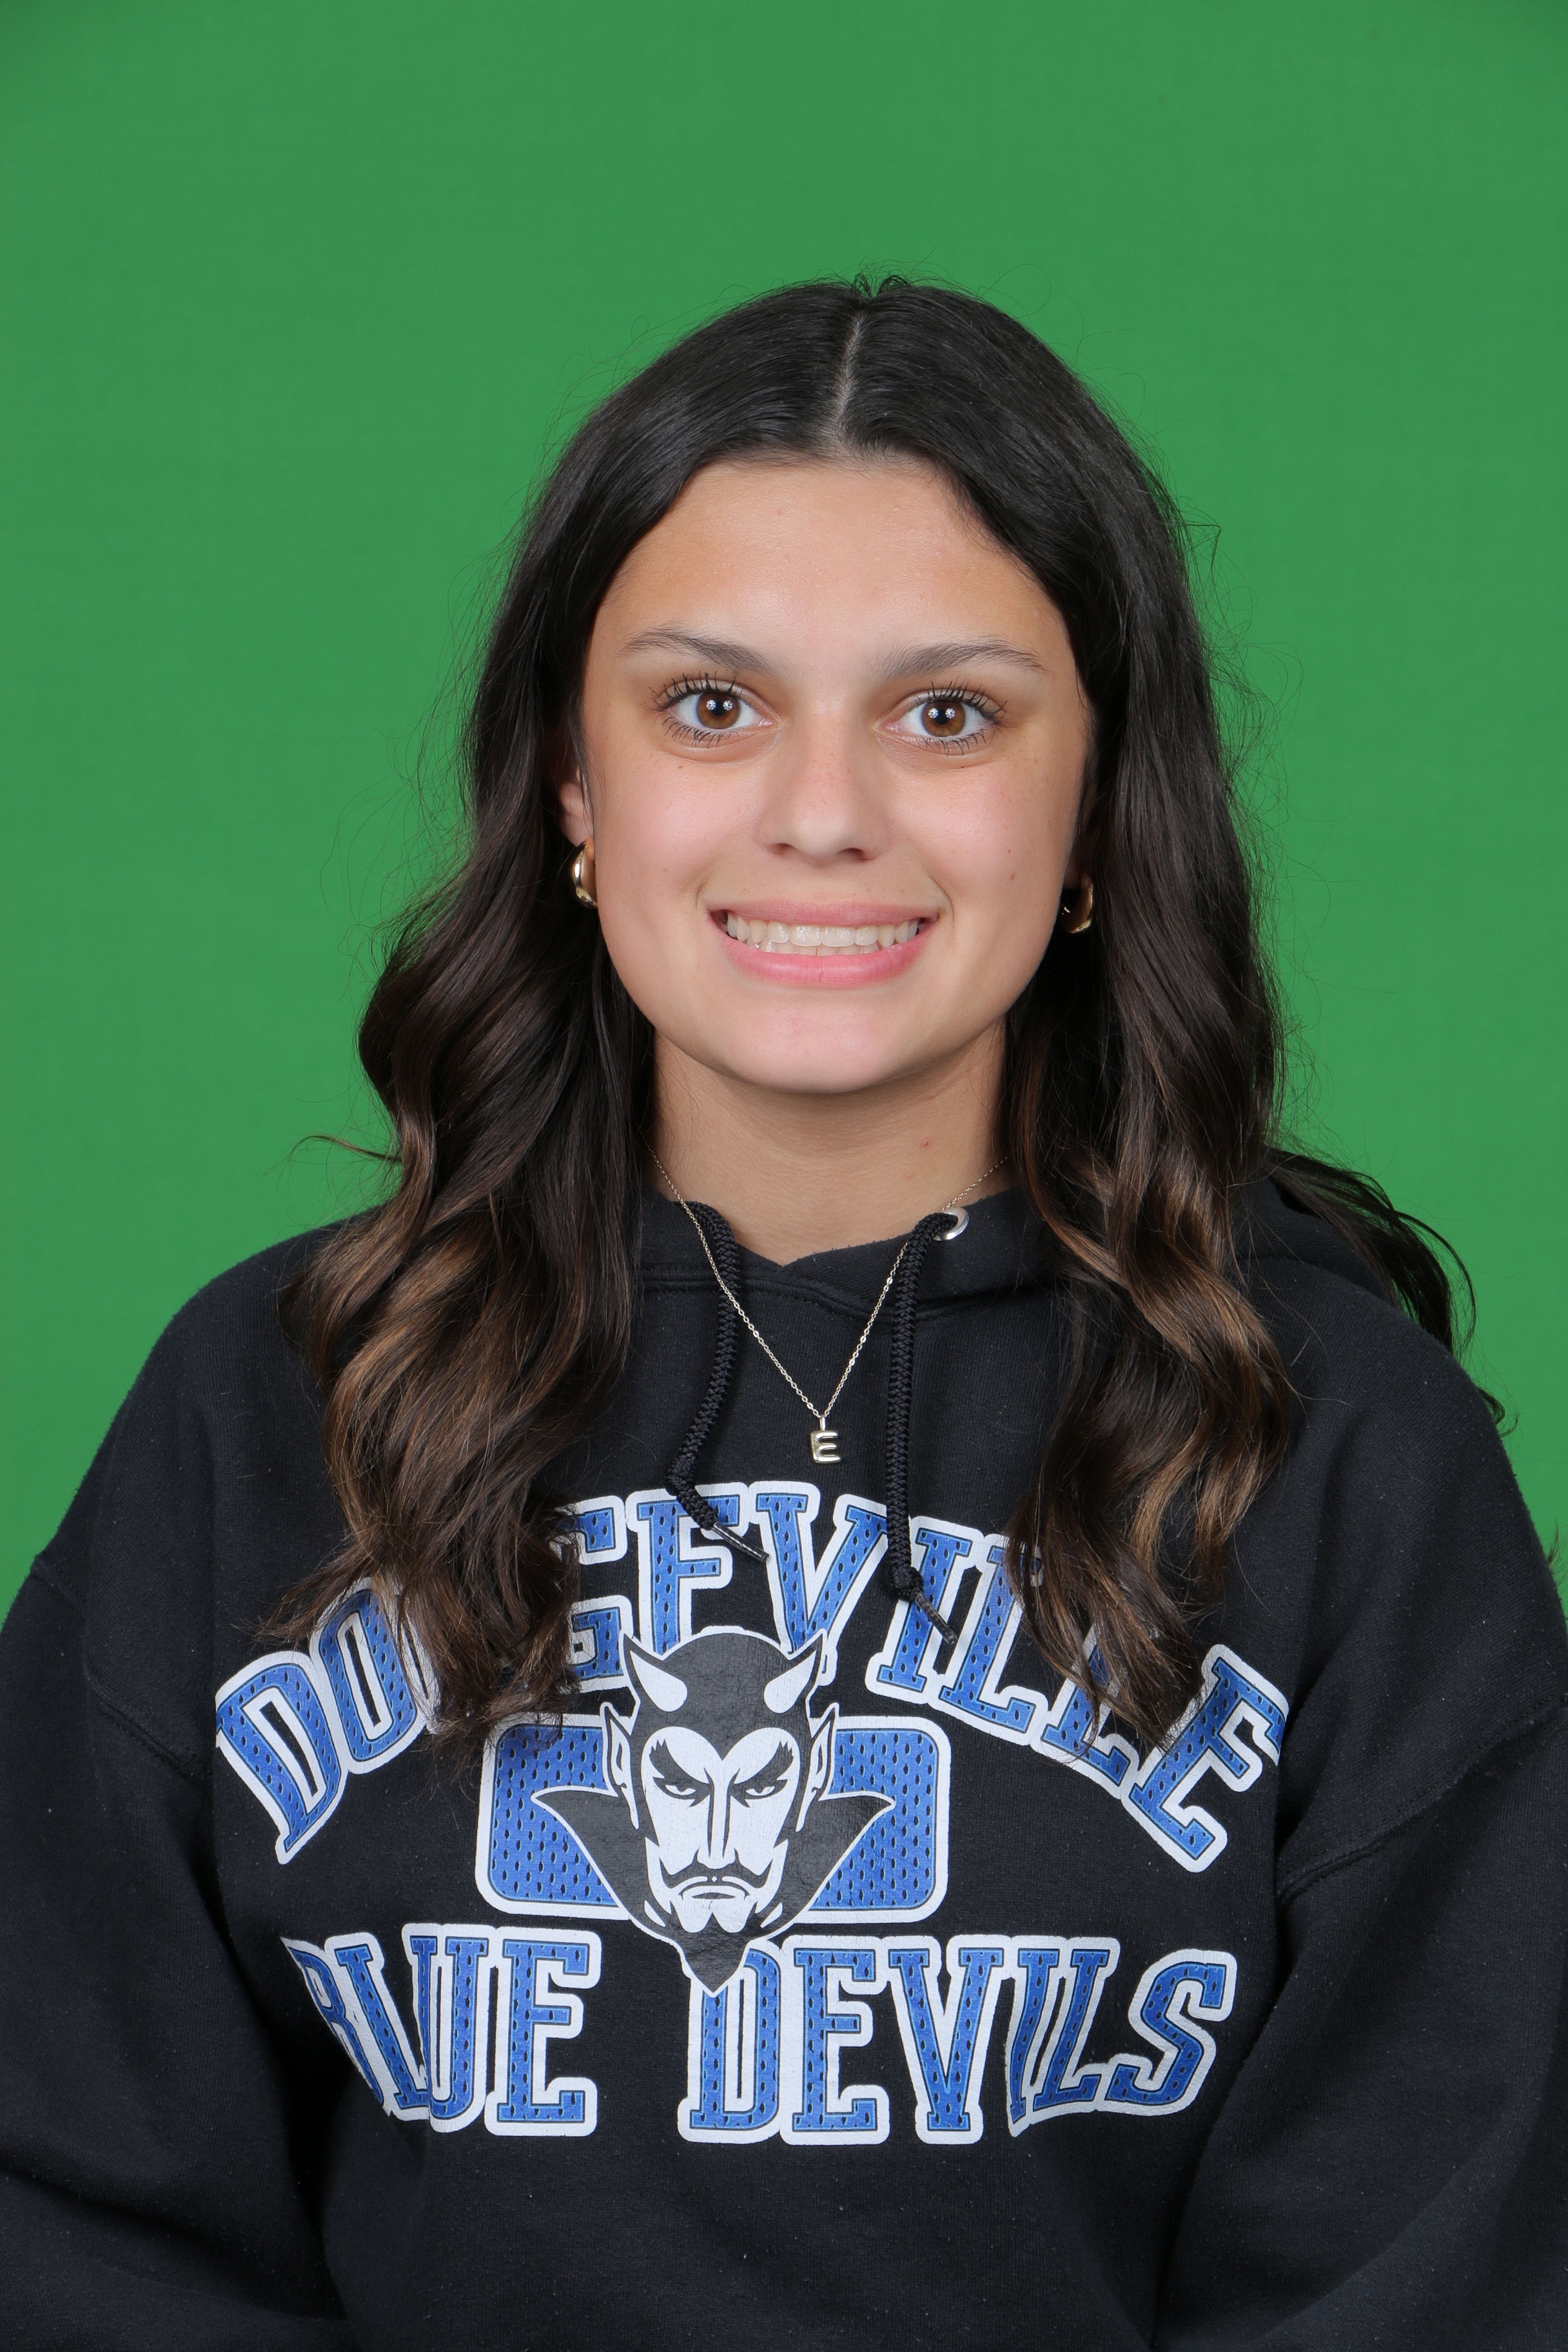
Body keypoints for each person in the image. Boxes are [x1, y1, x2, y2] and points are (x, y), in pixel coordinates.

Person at [1, 278, 1563, 2352]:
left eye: (948, 715)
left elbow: (1427, 2267)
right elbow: (75, 2214)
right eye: (712, 707)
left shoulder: (1342, 1450)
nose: (823, 812)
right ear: (575, 785)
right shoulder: (273, 1403)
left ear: (1096, 803)